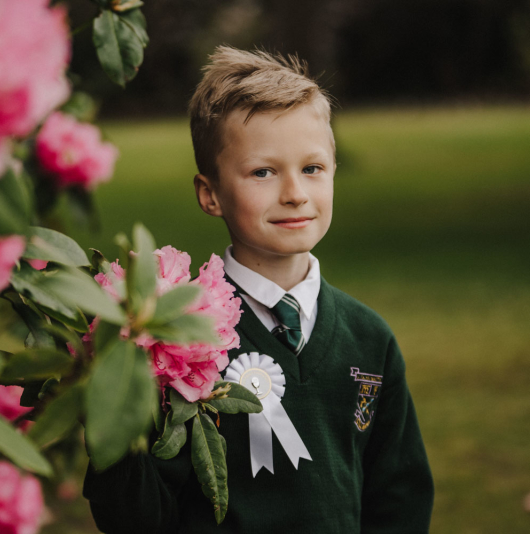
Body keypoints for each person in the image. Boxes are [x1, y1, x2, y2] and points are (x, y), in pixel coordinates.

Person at [83, 46, 434, 533]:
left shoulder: (370, 338)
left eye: (312, 168)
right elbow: (136, 517)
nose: (294, 192)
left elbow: (400, 495)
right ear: (211, 194)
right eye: (263, 172)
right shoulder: (175, 338)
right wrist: (114, 410)